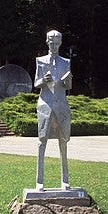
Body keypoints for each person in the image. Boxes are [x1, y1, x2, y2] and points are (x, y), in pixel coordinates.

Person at [34, 30, 73, 191]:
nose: (54, 45)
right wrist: (43, 80)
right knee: (42, 141)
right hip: (45, 105)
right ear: (47, 42)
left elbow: (69, 87)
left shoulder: (66, 62)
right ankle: (39, 181)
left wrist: (68, 82)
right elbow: (36, 83)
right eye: (51, 43)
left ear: (61, 43)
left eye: (57, 43)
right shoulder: (40, 61)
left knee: (63, 142)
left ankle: (65, 180)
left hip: (62, 105)